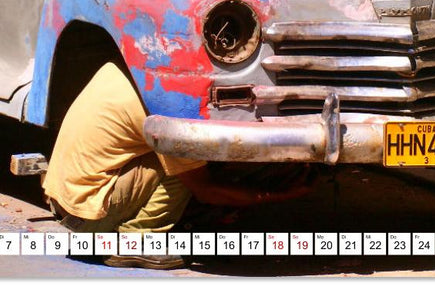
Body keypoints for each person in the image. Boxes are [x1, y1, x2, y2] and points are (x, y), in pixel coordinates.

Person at [43, 61, 314, 269]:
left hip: (65, 197)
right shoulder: (165, 102)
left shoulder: (131, 66)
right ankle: (136, 240)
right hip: (86, 217)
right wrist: (273, 196)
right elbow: (205, 190)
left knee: (181, 160)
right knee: (182, 156)